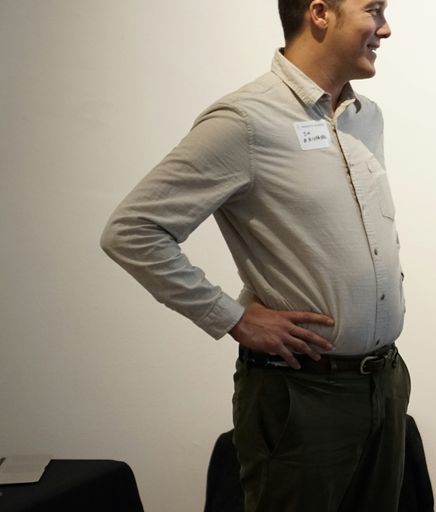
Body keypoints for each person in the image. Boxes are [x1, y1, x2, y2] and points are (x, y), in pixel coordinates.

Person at [100, 1, 410, 510]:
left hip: (384, 382)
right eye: (373, 10)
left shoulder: (365, 118)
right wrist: (234, 317)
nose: (386, 28)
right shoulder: (245, 120)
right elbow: (133, 230)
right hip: (301, 395)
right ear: (320, 14)